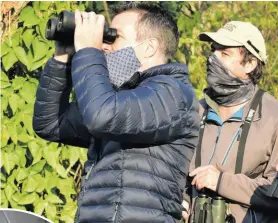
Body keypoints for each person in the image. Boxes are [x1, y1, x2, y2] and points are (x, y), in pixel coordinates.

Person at [32, 3, 199, 222]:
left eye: (113, 37)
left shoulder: (173, 94)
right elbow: (50, 124)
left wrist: (88, 51)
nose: (104, 46)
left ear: (149, 47)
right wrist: (63, 58)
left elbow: (102, 116)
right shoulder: (119, 98)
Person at [183, 21, 278, 222]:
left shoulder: (277, 119)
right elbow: (174, 173)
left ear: (250, 63)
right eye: (213, 51)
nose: (212, 58)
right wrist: (181, 201)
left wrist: (221, 182)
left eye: (224, 53)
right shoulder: (196, 111)